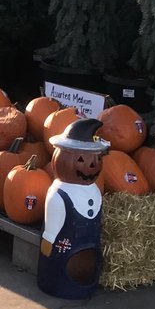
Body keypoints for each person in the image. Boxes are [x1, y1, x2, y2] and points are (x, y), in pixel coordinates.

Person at [38, 117, 109, 298]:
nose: (92, 166)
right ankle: (55, 285)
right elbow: (51, 230)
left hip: (88, 247)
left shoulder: (94, 190)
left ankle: (85, 285)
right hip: (63, 250)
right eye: (80, 159)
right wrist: (48, 244)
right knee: (60, 272)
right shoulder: (59, 193)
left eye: (97, 159)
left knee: (87, 266)